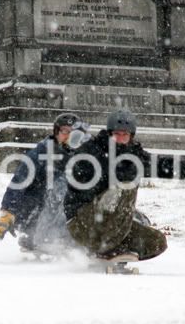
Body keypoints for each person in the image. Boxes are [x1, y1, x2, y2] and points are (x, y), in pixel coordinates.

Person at [64, 109, 168, 261]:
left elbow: (161, 165)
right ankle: (104, 247)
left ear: (131, 136)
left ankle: (113, 249)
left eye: (124, 135)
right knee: (125, 185)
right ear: (109, 133)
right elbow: (79, 183)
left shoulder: (133, 153)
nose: (120, 139)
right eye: (116, 134)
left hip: (110, 225)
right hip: (82, 222)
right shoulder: (92, 150)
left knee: (157, 242)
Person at [0, 113, 89, 252]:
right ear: (56, 132)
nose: (69, 136)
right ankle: (43, 237)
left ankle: (79, 240)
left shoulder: (86, 156)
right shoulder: (41, 153)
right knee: (62, 183)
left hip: (70, 217)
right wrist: (7, 214)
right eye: (65, 131)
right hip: (37, 211)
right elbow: (18, 182)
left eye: (74, 133)